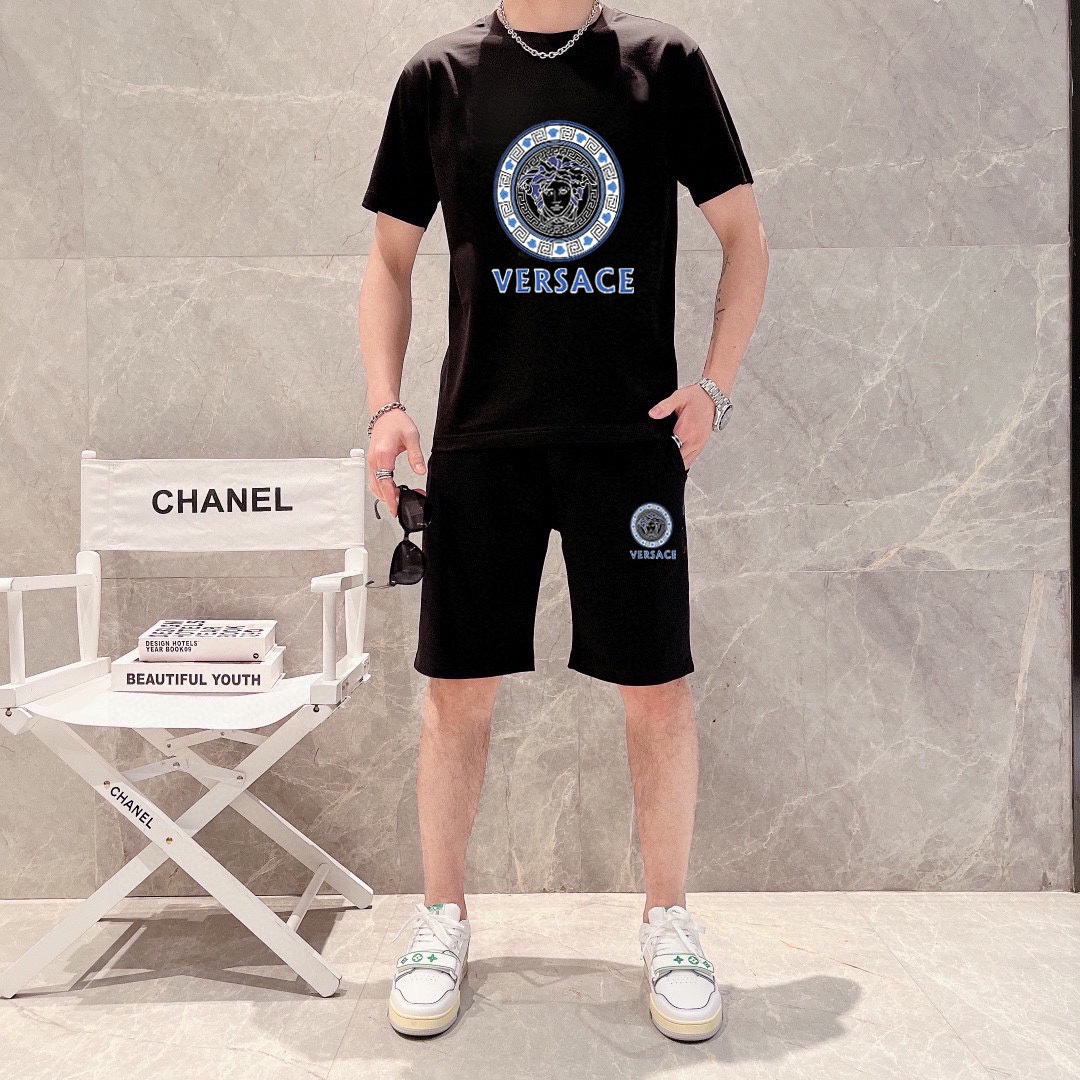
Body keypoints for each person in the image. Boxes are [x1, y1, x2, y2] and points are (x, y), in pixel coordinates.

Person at [358, 0, 768, 1042]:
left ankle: (669, 922)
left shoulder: (663, 62)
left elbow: (744, 235)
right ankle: (440, 919)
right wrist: (385, 403)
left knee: (657, 690)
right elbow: (390, 259)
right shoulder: (440, 76)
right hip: (481, 438)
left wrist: (714, 387)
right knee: (456, 692)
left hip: (628, 443)